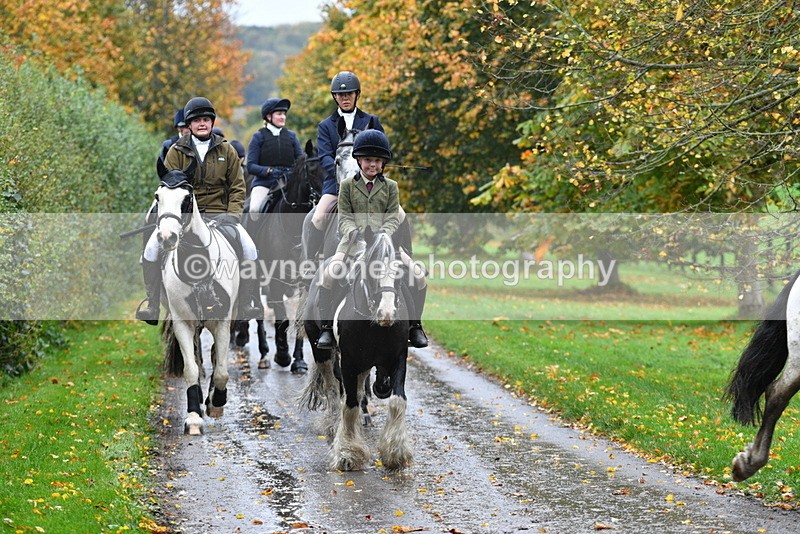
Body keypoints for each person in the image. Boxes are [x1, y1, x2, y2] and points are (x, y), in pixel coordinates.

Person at [136, 96, 262, 324]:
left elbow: (237, 186)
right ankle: (152, 304)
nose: (202, 124)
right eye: (197, 121)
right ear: (189, 125)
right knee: (151, 250)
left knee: (250, 248)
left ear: (212, 123)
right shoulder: (176, 151)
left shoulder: (227, 150)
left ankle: (247, 302)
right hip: (185, 218)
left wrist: (233, 215)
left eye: (206, 119)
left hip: (220, 214)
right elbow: (170, 188)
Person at [315, 130, 428, 349]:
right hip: (352, 243)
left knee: (419, 275)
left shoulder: (391, 187)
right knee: (329, 274)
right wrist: (353, 232)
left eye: (377, 161)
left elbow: (394, 217)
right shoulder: (347, 186)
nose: (372, 165)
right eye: (368, 160)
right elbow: (344, 217)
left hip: (386, 246)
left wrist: (384, 234)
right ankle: (327, 329)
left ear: (383, 163)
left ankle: (415, 326)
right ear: (358, 160)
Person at [307, 71, 384, 254]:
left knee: (399, 214)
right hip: (335, 185)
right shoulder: (325, 125)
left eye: (349, 94)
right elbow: (324, 156)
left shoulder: (371, 121)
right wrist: (340, 170)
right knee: (318, 218)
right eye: (341, 95)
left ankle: (403, 256)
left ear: (357, 94)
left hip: (371, 184)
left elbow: (384, 150)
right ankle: (310, 264)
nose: (345, 98)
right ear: (335, 97)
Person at [246, 97, 303, 219]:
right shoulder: (258, 137)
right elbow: (251, 166)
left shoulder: (292, 136)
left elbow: (301, 160)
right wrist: (269, 171)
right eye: (279, 114)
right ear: (268, 117)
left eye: (284, 114)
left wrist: (292, 172)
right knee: (254, 210)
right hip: (265, 183)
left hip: (288, 182)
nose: (283, 117)